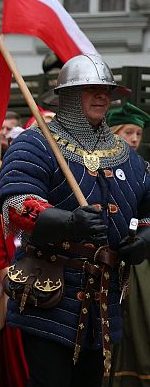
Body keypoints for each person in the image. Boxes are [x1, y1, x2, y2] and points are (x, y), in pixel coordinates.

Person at [0, 54, 150, 387]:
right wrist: (67, 221)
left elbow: (148, 209)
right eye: (90, 89)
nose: (101, 97)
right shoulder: (35, 143)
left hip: (104, 299)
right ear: (66, 95)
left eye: (106, 90)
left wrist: (145, 239)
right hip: (50, 293)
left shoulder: (127, 156)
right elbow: (16, 204)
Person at [104, 102, 150, 386]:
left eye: (138, 133)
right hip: (108, 256)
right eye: (128, 132)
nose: (134, 139)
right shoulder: (99, 165)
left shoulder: (145, 170)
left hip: (139, 261)